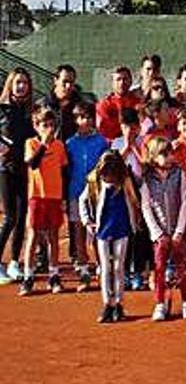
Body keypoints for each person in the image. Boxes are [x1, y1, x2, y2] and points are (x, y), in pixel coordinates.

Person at [79, 151, 140, 323]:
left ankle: (119, 303)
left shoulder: (126, 181)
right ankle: (107, 304)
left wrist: (135, 222)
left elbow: (135, 201)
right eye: (106, 175)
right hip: (103, 229)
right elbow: (82, 199)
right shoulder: (94, 181)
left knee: (119, 267)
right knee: (105, 267)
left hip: (122, 226)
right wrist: (87, 221)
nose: (109, 179)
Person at [140, 137, 186, 321]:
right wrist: (157, 234)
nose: (169, 157)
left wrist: (179, 231)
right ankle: (160, 304)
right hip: (160, 236)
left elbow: (184, 203)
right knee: (160, 269)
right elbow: (146, 207)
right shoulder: (147, 179)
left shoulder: (179, 174)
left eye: (170, 153)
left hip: (177, 233)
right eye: (164, 154)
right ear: (154, 157)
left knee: (182, 268)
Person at [19, 107, 67, 296]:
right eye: (44, 125)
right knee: (33, 236)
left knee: (53, 237)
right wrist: (44, 145)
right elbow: (33, 164)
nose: (49, 129)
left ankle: (54, 275)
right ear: (36, 126)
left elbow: (63, 169)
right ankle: (28, 276)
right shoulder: (31, 143)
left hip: (54, 197)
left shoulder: (60, 146)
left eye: (51, 125)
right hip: (36, 196)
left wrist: (62, 196)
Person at [65, 101, 109, 292]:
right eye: (81, 117)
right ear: (75, 120)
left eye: (89, 117)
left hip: (97, 195)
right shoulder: (70, 143)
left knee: (99, 232)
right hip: (75, 193)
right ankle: (83, 270)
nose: (85, 121)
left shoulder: (101, 142)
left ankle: (102, 267)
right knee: (78, 232)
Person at [0, 68, 36, 284]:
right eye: (18, 82)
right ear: (11, 85)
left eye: (25, 83)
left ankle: (14, 262)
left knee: (23, 216)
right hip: (5, 169)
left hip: (25, 170)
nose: (21, 86)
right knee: (10, 216)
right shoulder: (2, 109)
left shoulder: (30, 112)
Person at [39, 64, 82, 142]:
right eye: (65, 81)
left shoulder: (80, 106)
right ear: (56, 80)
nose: (68, 86)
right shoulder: (42, 105)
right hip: (50, 150)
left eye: (71, 82)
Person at [96, 66, 140, 140]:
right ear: (112, 83)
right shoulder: (104, 105)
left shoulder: (138, 103)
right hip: (112, 143)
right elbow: (105, 130)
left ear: (131, 81)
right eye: (118, 79)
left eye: (125, 79)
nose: (122, 82)